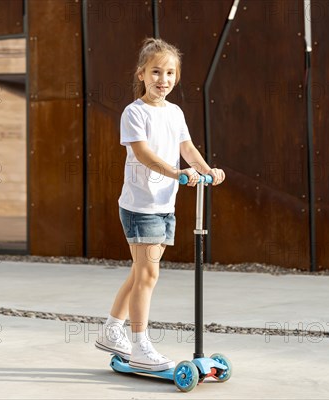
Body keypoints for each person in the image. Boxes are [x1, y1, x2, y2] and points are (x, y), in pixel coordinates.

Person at [95, 38, 226, 372]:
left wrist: (206, 170)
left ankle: (112, 330)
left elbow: (187, 147)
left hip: (164, 205)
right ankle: (140, 345)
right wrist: (175, 173)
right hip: (141, 206)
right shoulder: (134, 112)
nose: (162, 79)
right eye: (155, 72)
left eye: (169, 73)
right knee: (149, 274)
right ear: (141, 74)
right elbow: (142, 153)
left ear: (176, 77)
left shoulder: (176, 112)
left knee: (141, 273)